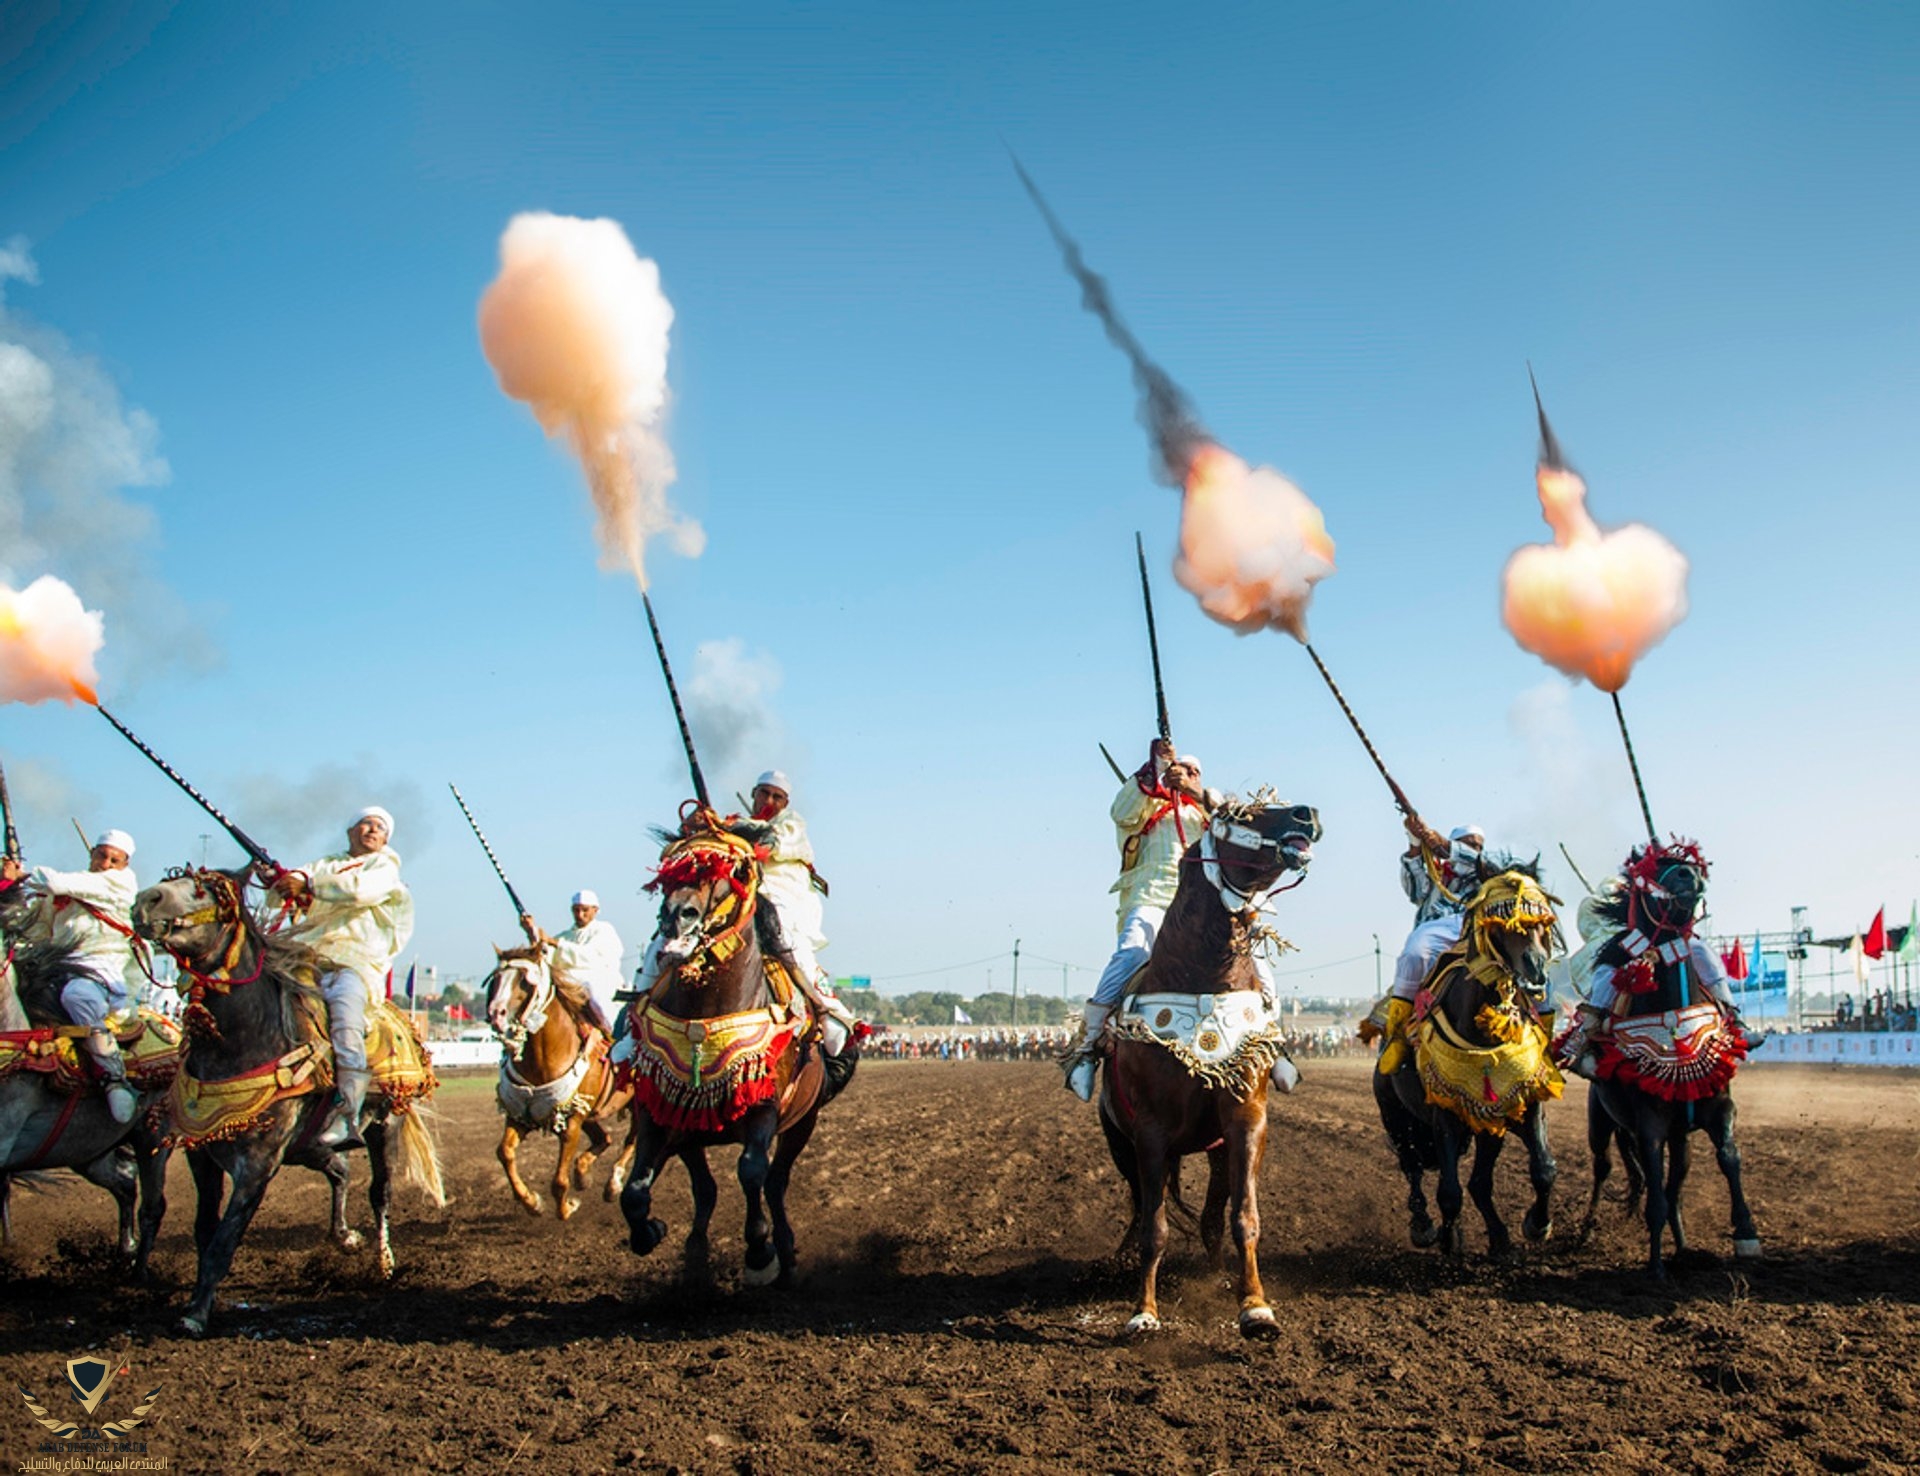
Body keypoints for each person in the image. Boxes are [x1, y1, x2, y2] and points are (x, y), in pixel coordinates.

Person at [624, 771, 854, 1056]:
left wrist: (722, 824)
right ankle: (634, 1014)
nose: (769, 800)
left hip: (777, 895)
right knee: (668, 932)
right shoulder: (730, 825)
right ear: (754, 793)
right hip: (734, 896)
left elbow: (768, 847)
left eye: (776, 796)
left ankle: (824, 1009)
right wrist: (696, 825)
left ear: (786, 802)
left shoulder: (790, 824)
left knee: (786, 936)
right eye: (764, 793)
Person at [273, 806, 414, 1152]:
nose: (372, 829)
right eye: (366, 823)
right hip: (305, 957)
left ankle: (347, 1111)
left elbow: (357, 891)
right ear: (350, 829)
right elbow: (285, 889)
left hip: (354, 960)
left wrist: (307, 883)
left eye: (380, 827)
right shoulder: (322, 865)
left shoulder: (384, 867)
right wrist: (276, 880)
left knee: (346, 1016)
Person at [1557, 839, 1743, 1078]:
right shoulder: (1631, 890)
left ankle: (1733, 1015)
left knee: (1702, 953)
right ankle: (1586, 1033)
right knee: (1607, 971)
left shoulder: (1674, 894)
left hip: (1674, 937)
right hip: (1638, 938)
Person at [1, 830, 144, 1123]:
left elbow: (52, 881)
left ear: (124, 864)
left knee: (78, 994)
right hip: (57, 967)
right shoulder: (68, 890)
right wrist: (11, 889)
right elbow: (34, 931)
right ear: (91, 853)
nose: (105, 863)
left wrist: (23, 875)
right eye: (101, 855)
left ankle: (113, 1078)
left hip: (103, 969)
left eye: (114, 859)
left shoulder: (120, 882)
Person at [1374, 821, 1486, 1076]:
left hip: (1476, 931)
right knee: (1415, 953)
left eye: (1479, 846)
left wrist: (1446, 845)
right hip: (1435, 929)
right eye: (1469, 844)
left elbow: (1482, 861)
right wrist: (1415, 843)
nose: (1475, 850)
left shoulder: (1487, 871)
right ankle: (1398, 1035)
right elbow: (1415, 891)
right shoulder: (1437, 873)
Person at [521, 889, 621, 1035]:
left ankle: (612, 1034)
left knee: (596, 994)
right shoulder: (565, 936)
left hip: (599, 982)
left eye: (585, 910)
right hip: (567, 984)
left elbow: (591, 957)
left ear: (595, 910)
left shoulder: (604, 930)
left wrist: (555, 943)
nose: (580, 915)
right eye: (576, 910)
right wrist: (531, 932)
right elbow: (545, 956)